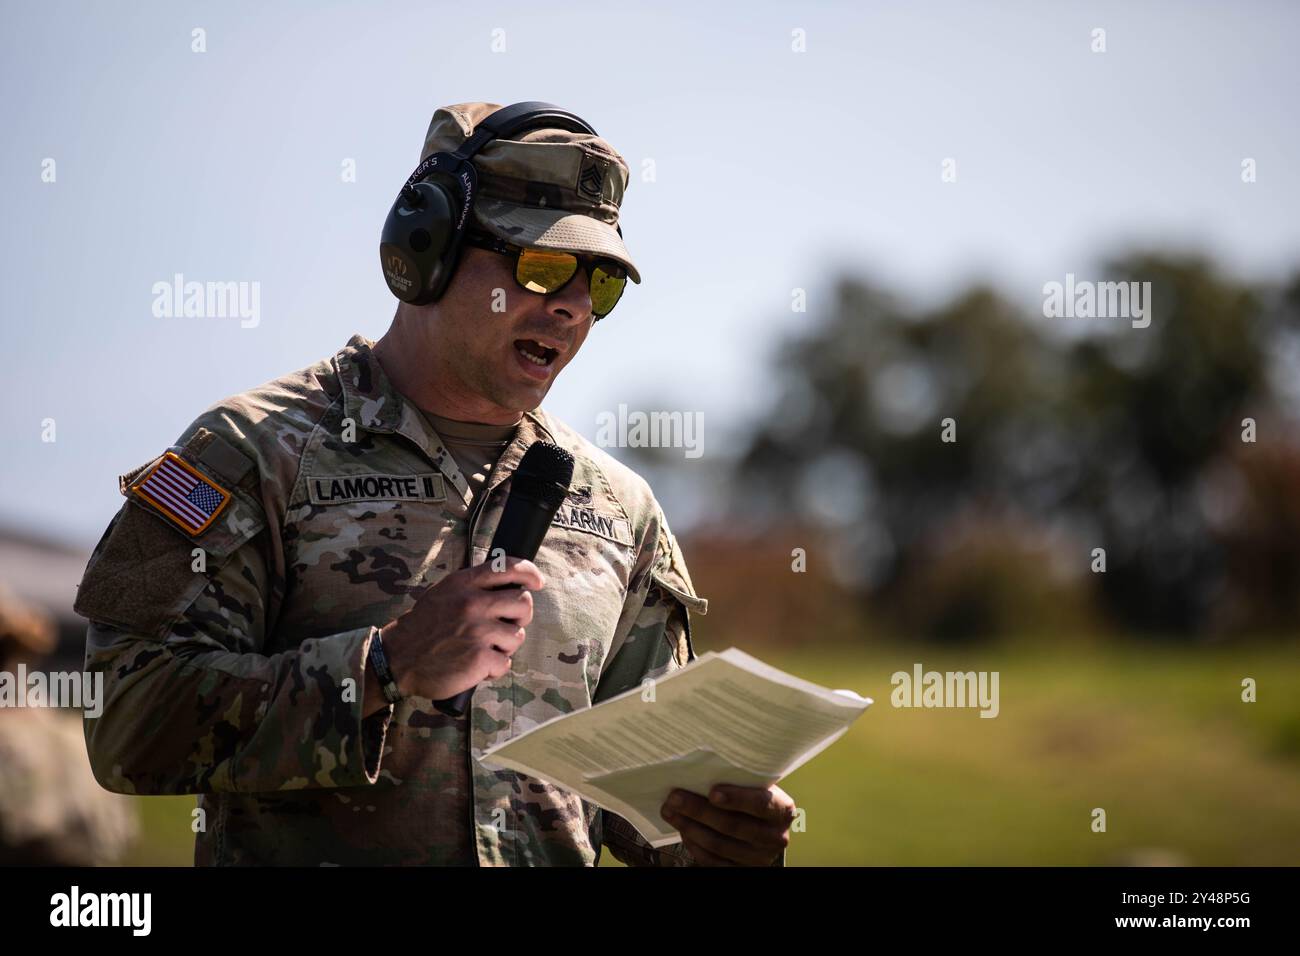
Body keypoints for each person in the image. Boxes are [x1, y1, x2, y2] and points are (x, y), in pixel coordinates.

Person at [75, 101, 794, 866]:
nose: (571, 305)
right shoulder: (249, 452)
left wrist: (722, 839)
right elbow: (124, 721)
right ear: (427, 247)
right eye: (541, 265)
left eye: (599, 284)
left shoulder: (624, 508)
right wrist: (384, 668)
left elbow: (646, 812)